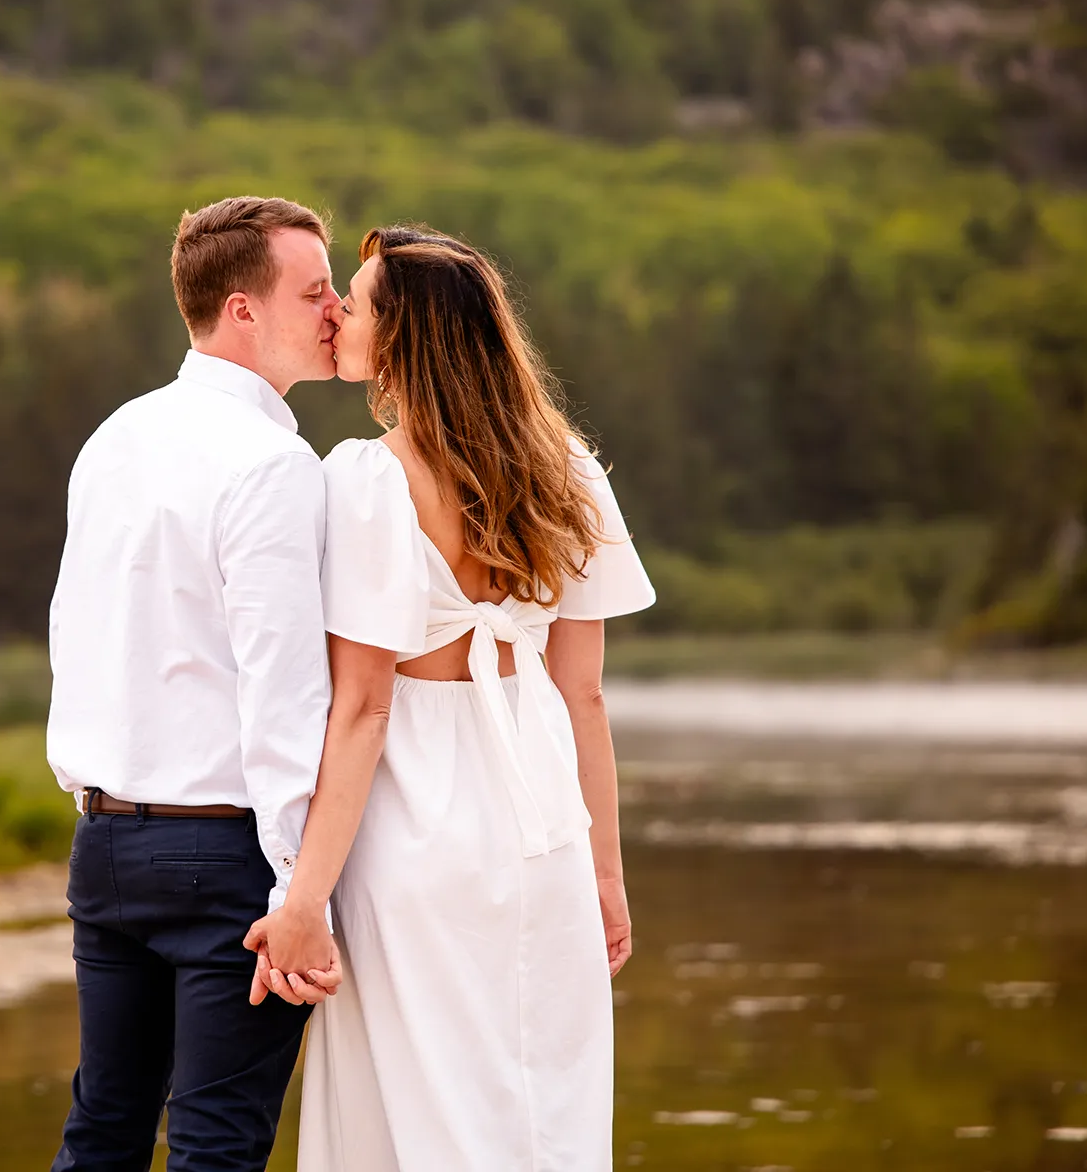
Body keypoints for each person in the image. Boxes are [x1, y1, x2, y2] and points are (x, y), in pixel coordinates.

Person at [246, 225, 656, 1171]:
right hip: (544, 824)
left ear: (405, 339)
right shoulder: (568, 472)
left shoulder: (369, 479)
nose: (340, 314)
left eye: (359, 300)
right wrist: (607, 876)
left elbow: (363, 711)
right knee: (540, 1100)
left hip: (415, 827)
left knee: (418, 1102)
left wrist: (303, 898)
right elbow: (583, 696)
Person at [45, 195, 346, 1172]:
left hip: (104, 842)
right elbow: (285, 695)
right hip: (225, 856)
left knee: (104, 1132)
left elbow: (78, 642)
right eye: (314, 290)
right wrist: (304, 889)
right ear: (242, 309)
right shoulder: (273, 462)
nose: (336, 308)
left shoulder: (113, 437)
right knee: (216, 1150)